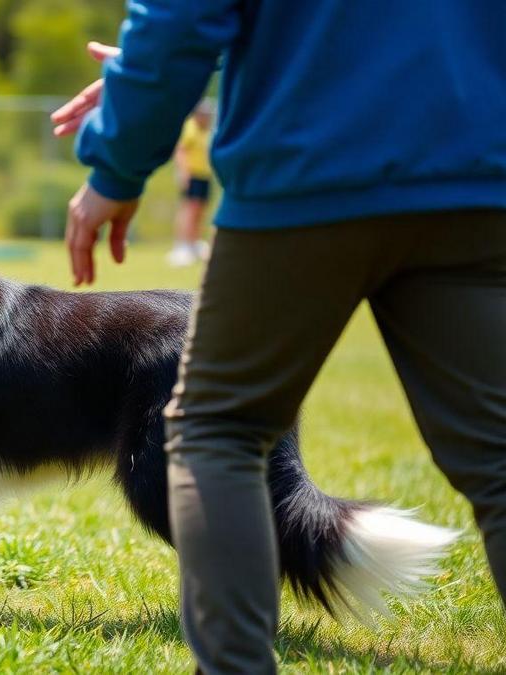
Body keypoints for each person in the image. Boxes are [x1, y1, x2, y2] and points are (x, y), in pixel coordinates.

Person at [50, 3, 505, 673]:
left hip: (306, 168)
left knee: (216, 430)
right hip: (472, 168)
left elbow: (182, 17)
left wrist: (116, 159)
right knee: (498, 455)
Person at [169, 100, 214, 267]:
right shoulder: (190, 128)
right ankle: (182, 246)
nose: (207, 118)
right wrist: (183, 172)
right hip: (192, 175)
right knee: (189, 210)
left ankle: (194, 243)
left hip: (204, 176)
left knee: (200, 210)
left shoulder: (207, 131)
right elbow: (180, 150)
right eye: (205, 115)